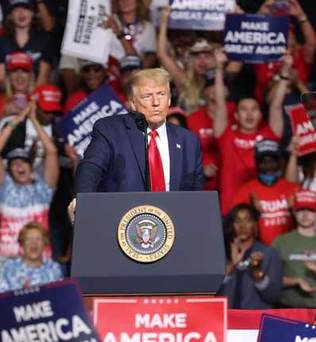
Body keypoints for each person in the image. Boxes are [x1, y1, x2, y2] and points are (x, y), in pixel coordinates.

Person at [73, 68, 205, 194]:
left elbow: (196, 196)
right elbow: (91, 167)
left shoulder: (189, 141)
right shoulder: (110, 130)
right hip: (123, 215)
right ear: (133, 103)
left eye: (161, 94)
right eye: (147, 96)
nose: (156, 102)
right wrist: (81, 199)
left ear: (169, 99)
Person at [0, 102, 59, 284]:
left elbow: (51, 151)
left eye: (23, 162)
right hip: (7, 259)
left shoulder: (43, 189)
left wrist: (33, 120)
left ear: (30, 166)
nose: (19, 165)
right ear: (9, 169)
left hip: (40, 260)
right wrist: (17, 121)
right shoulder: (5, 188)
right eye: (14, 163)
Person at [215, 53, 291, 214]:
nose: (249, 114)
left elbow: (276, 105)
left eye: (254, 109)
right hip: (230, 210)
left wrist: (285, 71)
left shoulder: (269, 135)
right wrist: (219, 69)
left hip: (264, 209)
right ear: (235, 116)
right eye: (243, 109)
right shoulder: (226, 136)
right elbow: (220, 103)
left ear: (261, 115)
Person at [273, 189, 316, 308]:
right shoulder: (281, 241)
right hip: (289, 309)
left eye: (310, 210)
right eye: (300, 210)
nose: (305, 215)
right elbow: (271, 279)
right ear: (294, 212)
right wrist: (295, 281)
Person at [231, 140, 300, 245]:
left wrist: (294, 212)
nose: (268, 166)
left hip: (290, 250)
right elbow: (235, 228)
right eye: (263, 162)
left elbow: (307, 225)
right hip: (259, 251)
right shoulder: (244, 191)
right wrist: (253, 213)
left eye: (272, 161)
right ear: (256, 163)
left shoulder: (294, 189)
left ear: (279, 162)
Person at [218, 204, 283, 309]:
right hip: (227, 318)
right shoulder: (223, 253)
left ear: (255, 224)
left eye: (247, 220)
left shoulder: (268, 254)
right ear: (231, 225)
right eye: (237, 221)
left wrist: (257, 273)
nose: (242, 226)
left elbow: (273, 296)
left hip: (255, 319)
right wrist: (232, 265)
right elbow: (214, 294)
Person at [0, 0, 53, 89]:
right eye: (16, 10)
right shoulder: (1, 41)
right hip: (9, 95)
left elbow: (44, 77)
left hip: (36, 96)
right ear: (10, 16)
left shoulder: (43, 40)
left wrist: (30, 97)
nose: (21, 13)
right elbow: (0, 80)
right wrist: (18, 94)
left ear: (32, 13)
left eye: (25, 9)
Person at [0, 222, 63, 293]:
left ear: (45, 243)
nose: (33, 243)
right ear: (22, 243)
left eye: (38, 239)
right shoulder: (8, 268)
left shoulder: (54, 269)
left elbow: (60, 298)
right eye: (29, 239)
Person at [0, 50, 35, 140]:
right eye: (15, 71)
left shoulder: (37, 98)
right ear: (9, 76)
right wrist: (4, 116)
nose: (19, 76)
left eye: (24, 71)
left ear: (30, 76)